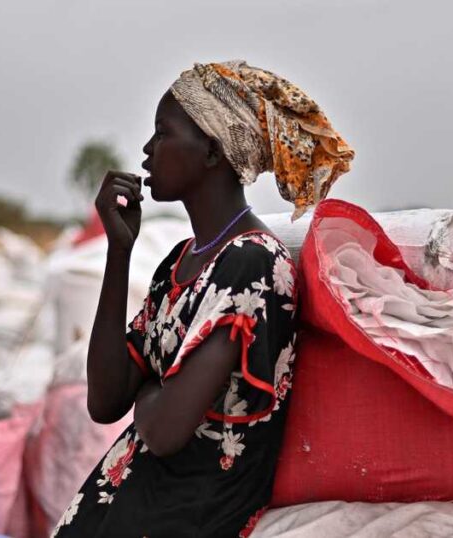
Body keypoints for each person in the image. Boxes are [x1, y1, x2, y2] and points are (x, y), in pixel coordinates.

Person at [53, 61, 354, 537]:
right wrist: (118, 252)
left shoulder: (250, 263)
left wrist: (152, 391)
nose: (147, 150)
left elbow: (165, 431)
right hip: (137, 504)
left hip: (189, 515)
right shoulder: (180, 262)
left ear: (212, 152)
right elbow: (105, 400)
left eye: (163, 133)